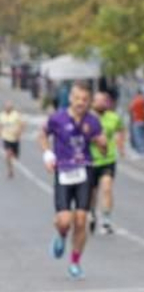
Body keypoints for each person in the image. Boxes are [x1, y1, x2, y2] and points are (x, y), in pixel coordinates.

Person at [40, 82, 104, 279]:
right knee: (65, 220)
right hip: (64, 172)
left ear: (89, 102)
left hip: (85, 170)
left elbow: (103, 147)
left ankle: (75, 262)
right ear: (70, 98)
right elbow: (43, 135)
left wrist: (102, 144)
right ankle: (60, 233)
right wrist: (48, 155)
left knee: (81, 219)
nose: (80, 103)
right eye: (77, 98)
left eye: (85, 100)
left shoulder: (92, 121)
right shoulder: (57, 118)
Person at [89, 89, 123, 235]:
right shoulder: (87, 118)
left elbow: (121, 130)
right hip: (89, 160)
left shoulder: (113, 117)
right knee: (92, 193)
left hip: (107, 160)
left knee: (107, 188)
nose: (101, 103)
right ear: (93, 102)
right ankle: (91, 213)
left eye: (104, 101)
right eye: (98, 101)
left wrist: (120, 144)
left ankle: (106, 220)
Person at [1, 101, 21, 179]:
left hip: (15, 138)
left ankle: (13, 159)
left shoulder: (16, 115)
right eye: (6, 107)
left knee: (15, 156)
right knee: (8, 154)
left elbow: (22, 124)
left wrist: (19, 133)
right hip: (6, 137)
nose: (8, 108)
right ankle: (10, 170)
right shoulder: (2, 115)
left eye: (9, 107)